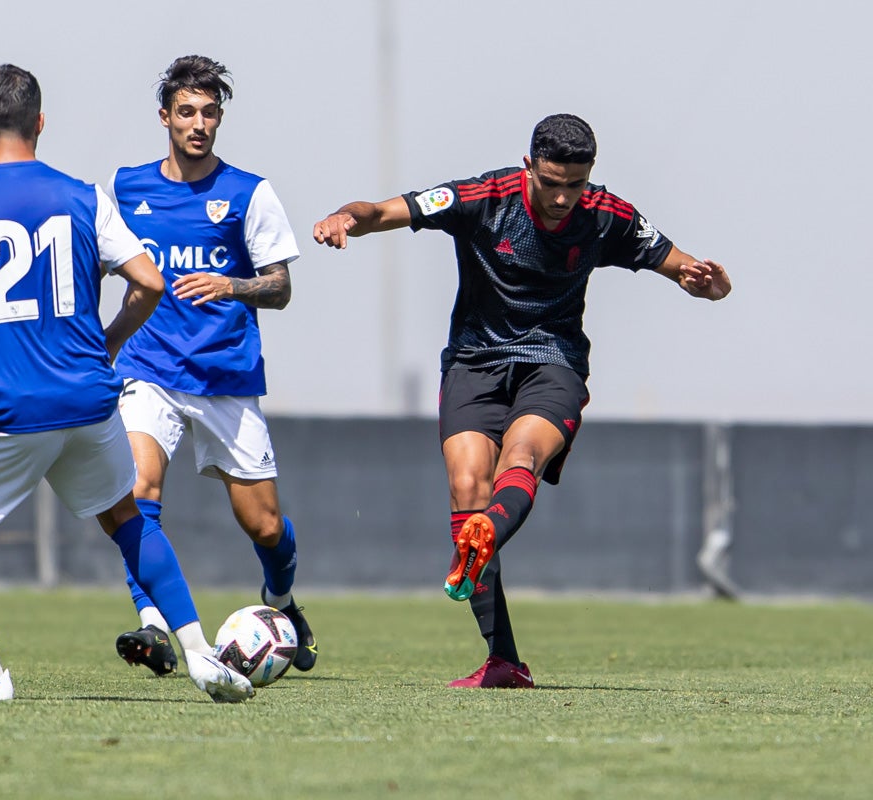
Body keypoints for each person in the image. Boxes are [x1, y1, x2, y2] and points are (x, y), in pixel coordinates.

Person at [313, 114, 731, 688]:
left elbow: (683, 266)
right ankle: (504, 659)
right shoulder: (483, 198)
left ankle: (486, 530)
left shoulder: (606, 214)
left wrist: (706, 283)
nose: (562, 198)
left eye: (575, 184)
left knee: (522, 456)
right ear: (529, 165)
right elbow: (383, 212)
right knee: (467, 485)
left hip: (553, 362)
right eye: (551, 182)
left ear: (590, 176)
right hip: (474, 362)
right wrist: (345, 217)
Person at [0, 63, 253, 703]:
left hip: (10, 407)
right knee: (126, 517)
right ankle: (203, 655)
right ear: (40, 123)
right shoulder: (86, 197)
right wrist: (109, 342)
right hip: (91, 401)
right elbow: (149, 282)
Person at [107, 55, 316, 678]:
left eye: (209, 113)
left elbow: (280, 288)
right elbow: (95, 264)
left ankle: (282, 601)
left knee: (265, 525)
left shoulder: (249, 193)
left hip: (225, 376)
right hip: (148, 369)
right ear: (164, 117)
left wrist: (231, 286)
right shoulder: (125, 188)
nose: (198, 124)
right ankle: (153, 624)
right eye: (186, 112)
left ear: (219, 118)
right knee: (138, 491)